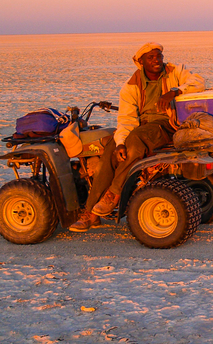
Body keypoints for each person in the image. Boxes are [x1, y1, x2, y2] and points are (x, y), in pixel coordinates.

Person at [69, 43, 205, 231]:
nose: (157, 60)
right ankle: (90, 214)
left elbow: (199, 82)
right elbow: (126, 119)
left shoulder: (174, 71)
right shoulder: (131, 86)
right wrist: (120, 143)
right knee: (111, 153)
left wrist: (174, 91)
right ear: (140, 62)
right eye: (151, 57)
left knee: (136, 140)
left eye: (159, 56)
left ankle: (114, 193)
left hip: (168, 124)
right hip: (142, 127)